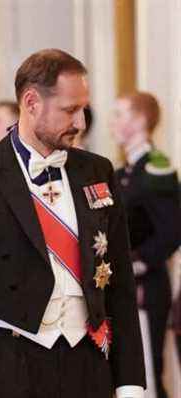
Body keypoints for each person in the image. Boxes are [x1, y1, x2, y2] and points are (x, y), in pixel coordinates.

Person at [0, 49, 146, 398]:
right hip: (10, 367)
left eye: (83, 110)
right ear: (31, 102)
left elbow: (119, 283)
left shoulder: (97, 170)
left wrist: (130, 382)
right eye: (69, 110)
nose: (81, 124)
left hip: (89, 365)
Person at [111, 91, 181, 398]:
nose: (114, 122)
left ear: (140, 120)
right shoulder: (120, 172)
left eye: (121, 114)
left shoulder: (156, 169)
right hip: (122, 285)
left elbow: (172, 230)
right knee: (125, 376)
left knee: (147, 375)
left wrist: (138, 263)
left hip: (146, 283)